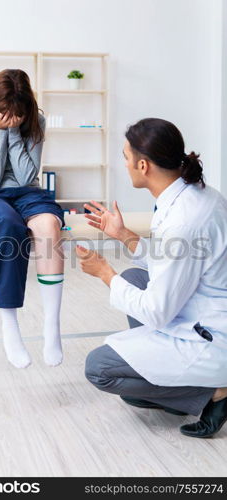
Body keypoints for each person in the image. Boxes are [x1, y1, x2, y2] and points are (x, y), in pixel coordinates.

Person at [76, 117, 227, 438]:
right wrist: (123, 234)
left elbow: (159, 310)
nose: (125, 164)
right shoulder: (195, 194)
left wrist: (105, 273)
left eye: (126, 157)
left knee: (100, 369)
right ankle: (169, 385)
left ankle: (213, 393)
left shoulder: (185, 221)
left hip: (211, 336)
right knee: (134, 278)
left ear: (143, 165)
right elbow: (171, 260)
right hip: (203, 310)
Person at [0, 69, 65, 369]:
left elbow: (26, 176)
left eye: (17, 115)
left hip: (28, 193)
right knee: (8, 225)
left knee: (48, 226)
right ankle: (10, 326)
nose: (12, 119)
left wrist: (11, 132)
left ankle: (52, 328)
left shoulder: (36, 122)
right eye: (3, 114)